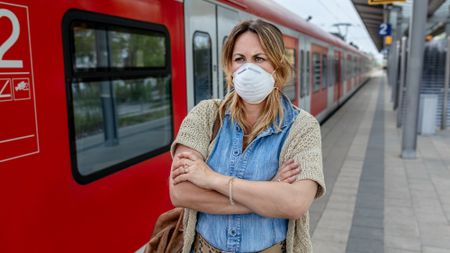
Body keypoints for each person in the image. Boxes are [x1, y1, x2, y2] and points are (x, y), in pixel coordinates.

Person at [169, 19, 325, 253]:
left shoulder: (303, 127)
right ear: (230, 67)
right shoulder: (205, 115)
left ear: (278, 66)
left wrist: (211, 179)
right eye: (239, 59)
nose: (247, 68)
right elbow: (180, 192)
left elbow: (295, 203)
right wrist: (269, 191)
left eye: (259, 58)